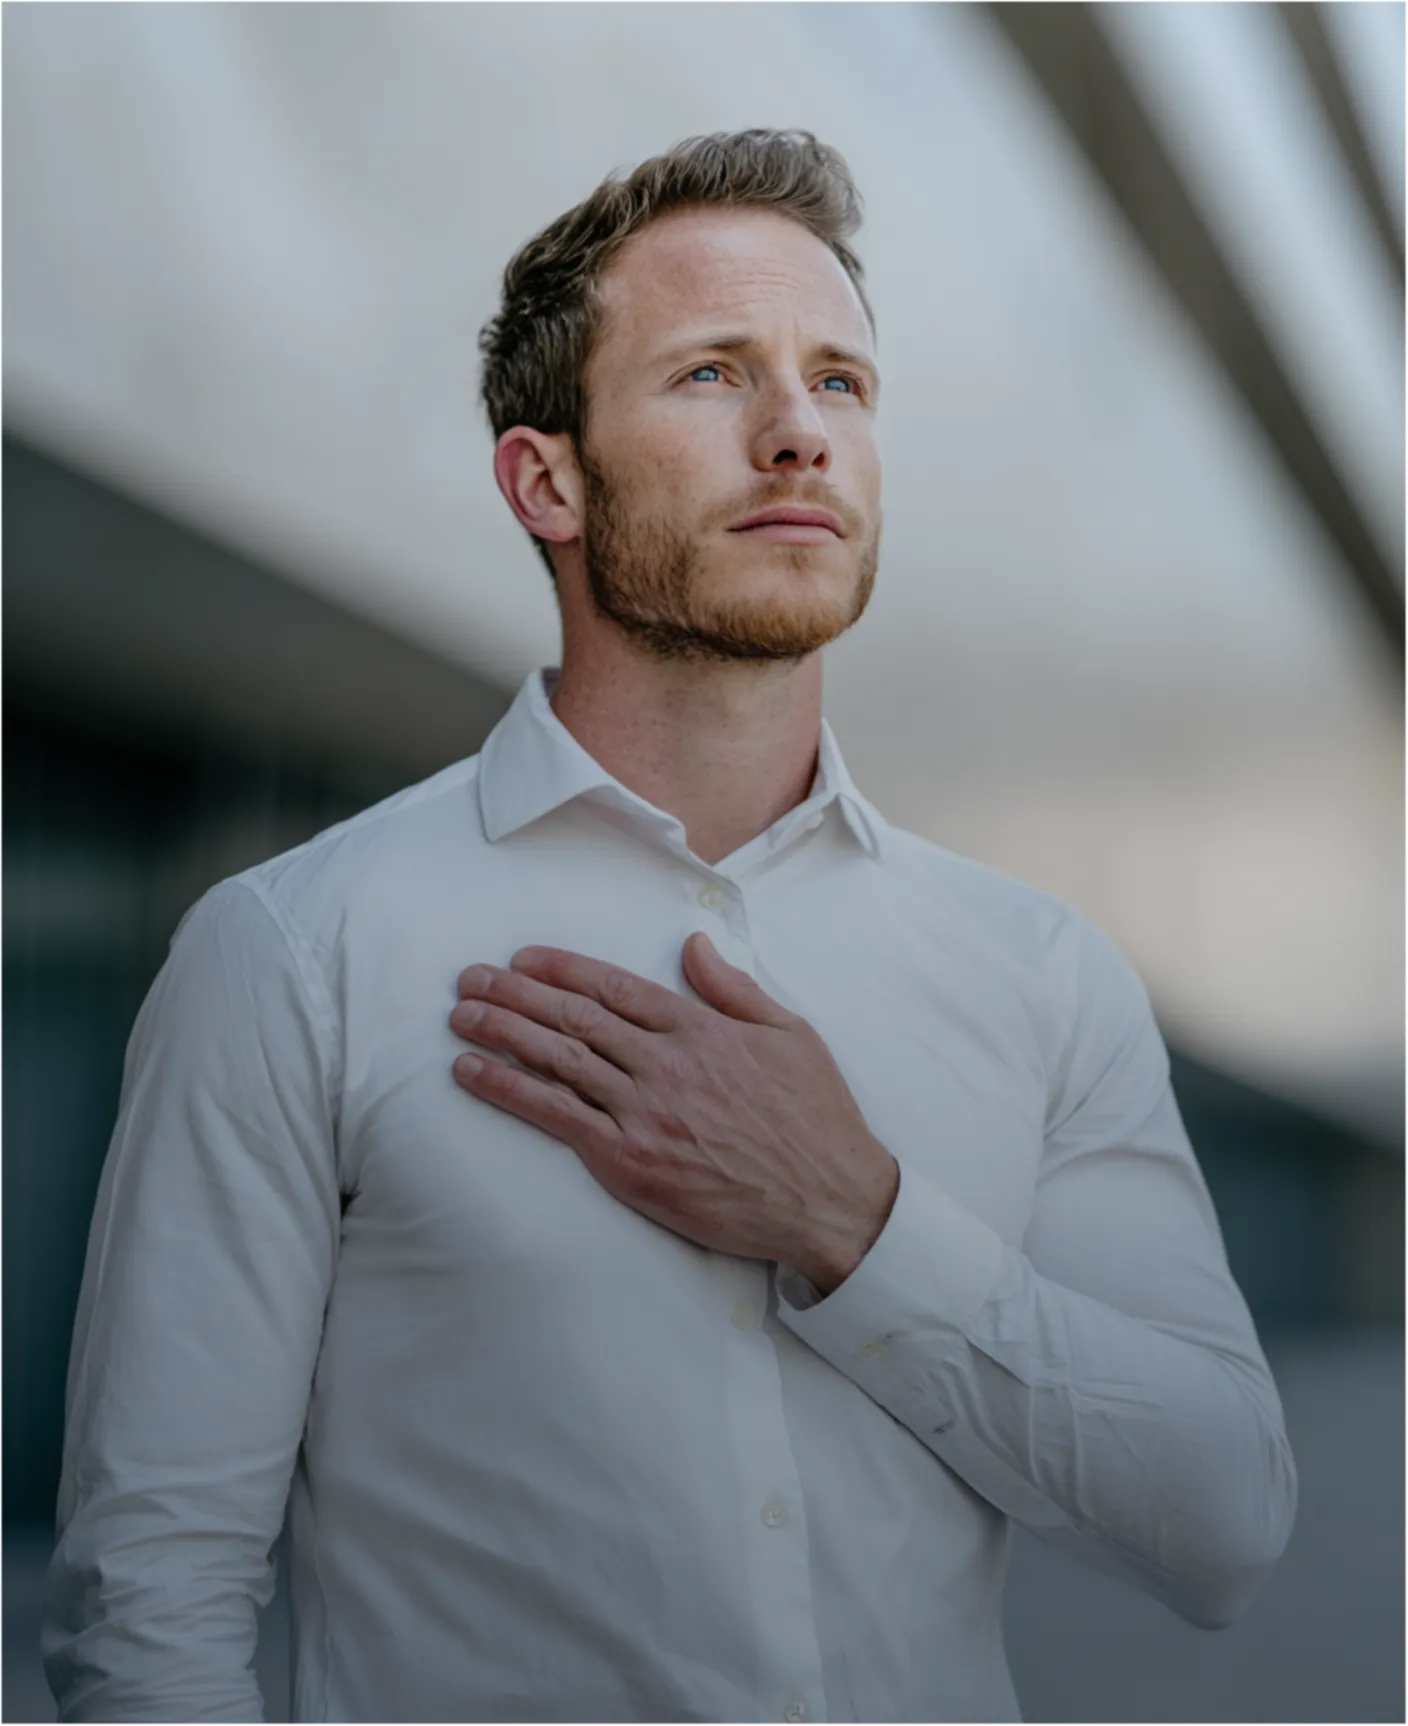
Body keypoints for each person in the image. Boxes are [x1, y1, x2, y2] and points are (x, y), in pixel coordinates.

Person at [42, 129, 1296, 1726]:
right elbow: (150, 1601)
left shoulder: (1041, 973)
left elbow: (1224, 1525)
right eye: (714, 374)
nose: (798, 434)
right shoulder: (296, 950)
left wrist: (857, 1220)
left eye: (840, 382)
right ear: (544, 476)